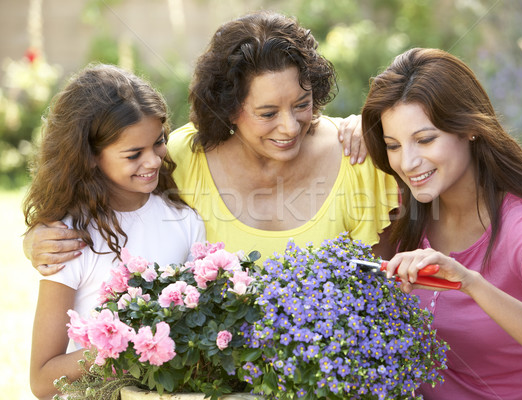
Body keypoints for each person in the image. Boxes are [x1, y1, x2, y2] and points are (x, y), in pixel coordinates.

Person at [23, 11, 399, 272]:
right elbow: (97, 187)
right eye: (267, 113)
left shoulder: (357, 155)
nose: (290, 127)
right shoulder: (182, 157)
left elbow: (389, 278)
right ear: (229, 107)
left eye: (302, 104)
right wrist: (38, 236)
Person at [362, 47, 522, 399]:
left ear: (469, 129)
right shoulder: (399, 221)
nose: (408, 162)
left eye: (425, 139)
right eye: (393, 145)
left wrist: (470, 283)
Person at [24, 64, 206, 399]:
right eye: (134, 154)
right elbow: (42, 379)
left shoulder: (185, 222)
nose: (152, 161)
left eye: (158, 143)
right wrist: (119, 347)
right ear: (90, 157)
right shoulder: (70, 240)